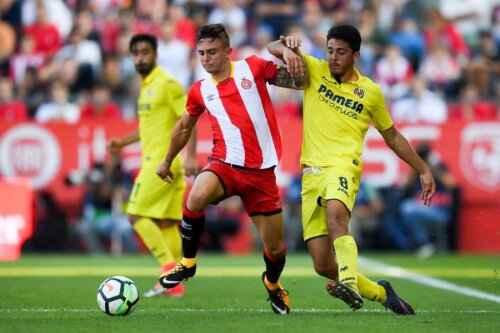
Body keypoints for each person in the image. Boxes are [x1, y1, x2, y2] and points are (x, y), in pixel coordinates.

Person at [267, 24, 436, 314]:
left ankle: (350, 283)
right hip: (311, 174)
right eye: (330, 50)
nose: (333, 57)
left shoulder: (370, 91)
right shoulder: (315, 71)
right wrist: (285, 48)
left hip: (344, 165)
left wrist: (422, 168)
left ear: (356, 55)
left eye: (341, 52)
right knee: (322, 265)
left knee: (337, 217)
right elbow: (272, 47)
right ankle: (382, 293)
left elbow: (391, 135)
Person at [156, 24, 304, 315]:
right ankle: (188, 262)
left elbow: (299, 82)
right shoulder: (200, 90)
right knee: (196, 194)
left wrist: (289, 50)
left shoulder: (253, 68)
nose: (205, 58)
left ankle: (273, 284)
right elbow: (184, 126)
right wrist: (167, 159)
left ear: (228, 52)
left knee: (275, 250)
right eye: (201, 53)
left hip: (261, 174)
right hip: (223, 164)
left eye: (212, 52)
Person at [107, 33, 197, 298]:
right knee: (167, 223)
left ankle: (168, 271)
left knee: (135, 215)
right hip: (166, 163)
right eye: (135, 53)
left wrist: (192, 157)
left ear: (156, 54)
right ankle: (175, 284)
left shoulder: (167, 84)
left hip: (161, 163)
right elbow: (148, 128)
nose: (139, 57)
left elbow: (190, 118)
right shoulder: (146, 87)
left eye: (144, 52)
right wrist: (122, 143)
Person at [399, 142, 457, 259]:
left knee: (409, 209)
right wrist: (417, 167)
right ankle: (424, 244)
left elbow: (451, 183)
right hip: (419, 206)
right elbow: (403, 186)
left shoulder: (439, 166)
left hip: (439, 210)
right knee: (408, 209)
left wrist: (432, 169)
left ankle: (425, 244)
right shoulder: (416, 169)